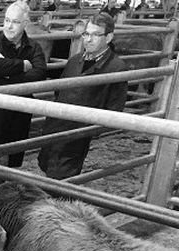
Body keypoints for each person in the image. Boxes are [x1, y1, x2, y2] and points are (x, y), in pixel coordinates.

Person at [38, 12, 127, 179]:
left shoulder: (116, 68)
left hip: (79, 132)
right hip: (55, 126)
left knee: (61, 176)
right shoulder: (75, 60)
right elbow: (60, 91)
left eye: (95, 35)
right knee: (45, 164)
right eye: (86, 34)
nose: (88, 39)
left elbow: (115, 107)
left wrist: (91, 130)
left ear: (108, 37)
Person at [0, 0, 47, 170]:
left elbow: (39, 72)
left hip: (18, 111)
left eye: (15, 22)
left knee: (12, 160)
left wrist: (6, 73)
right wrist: (21, 65)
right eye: (7, 20)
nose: (9, 26)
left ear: (25, 24)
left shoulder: (33, 47)